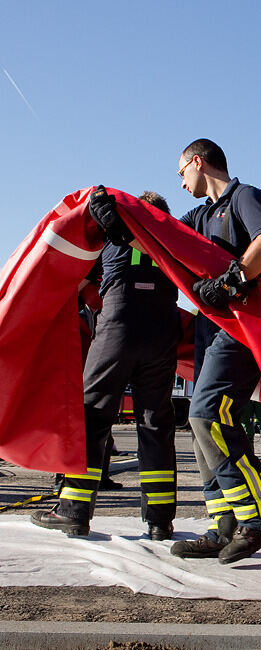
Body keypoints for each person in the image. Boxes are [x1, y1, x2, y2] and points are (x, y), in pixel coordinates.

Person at [32, 191, 179, 540]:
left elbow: (78, 284)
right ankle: (160, 521)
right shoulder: (173, 241)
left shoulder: (113, 236)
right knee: (155, 423)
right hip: (162, 331)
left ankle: (74, 511)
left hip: (119, 325)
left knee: (92, 416)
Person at [168, 139, 261, 564]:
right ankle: (225, 525)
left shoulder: (244, 197)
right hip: (208, 329)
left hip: (239, 328)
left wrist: (232, 280)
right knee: (203, 433)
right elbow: (158, 228)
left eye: (181, 172)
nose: (180, 183)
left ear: (197, 162)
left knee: (206, 414)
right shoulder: (198, 215)